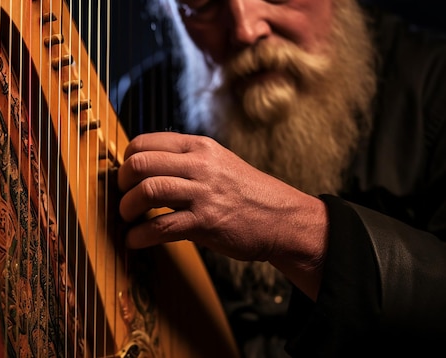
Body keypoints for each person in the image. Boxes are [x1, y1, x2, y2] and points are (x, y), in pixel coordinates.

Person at [114, 0, 446, 356]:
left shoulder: (435, 82)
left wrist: (291, 229)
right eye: (202, 4)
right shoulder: (143, 104)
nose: (245, 30)